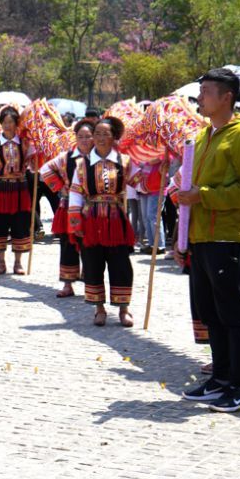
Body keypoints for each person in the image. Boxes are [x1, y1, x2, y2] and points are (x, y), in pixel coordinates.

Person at [176, 68, 240, 412]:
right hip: (200, 237)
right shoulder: (202, 136)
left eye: (207, 92)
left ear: (226, 97)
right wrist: (181, 232)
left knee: (234, 314)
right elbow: (190, 189)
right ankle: (220, 378)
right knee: (210, 313)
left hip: (228, 238)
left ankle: (239, 387)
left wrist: (205, 196)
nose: (200, 98)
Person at [67, 117, 139, 326]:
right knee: (92, 263)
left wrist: (158, 172)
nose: (99, 138)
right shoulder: (82, 164)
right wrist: (75, 223)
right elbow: (75, 193)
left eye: (104, 134)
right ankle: (99, 309)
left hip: (116, 218)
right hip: (91, 219)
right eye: (96, 133)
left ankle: (124, 308)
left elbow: (140, 183)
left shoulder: (124, 162)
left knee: (121, 263)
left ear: (114, 137)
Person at [40, 120, 94, 298]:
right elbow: (45, 170)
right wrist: (59, 186)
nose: (85, 140)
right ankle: (68, 284)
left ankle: (91, 285)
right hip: (68, 207)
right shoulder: (66, 157)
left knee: (91, 246)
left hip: (92, 210)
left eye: (88, 136)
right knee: (67, 245)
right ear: (75, 138)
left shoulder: (99, 157)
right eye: (81, 137)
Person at [0, 107, 32, 275]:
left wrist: (36, 158)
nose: (8, 126)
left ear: (16, 124)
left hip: (20, 187)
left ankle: (18, 263)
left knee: (20, 224)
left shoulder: (25, 143)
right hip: (1, 188)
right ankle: (1, 262)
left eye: (11, 122)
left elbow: (33, 164)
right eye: (5, 122)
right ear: (1, 124)